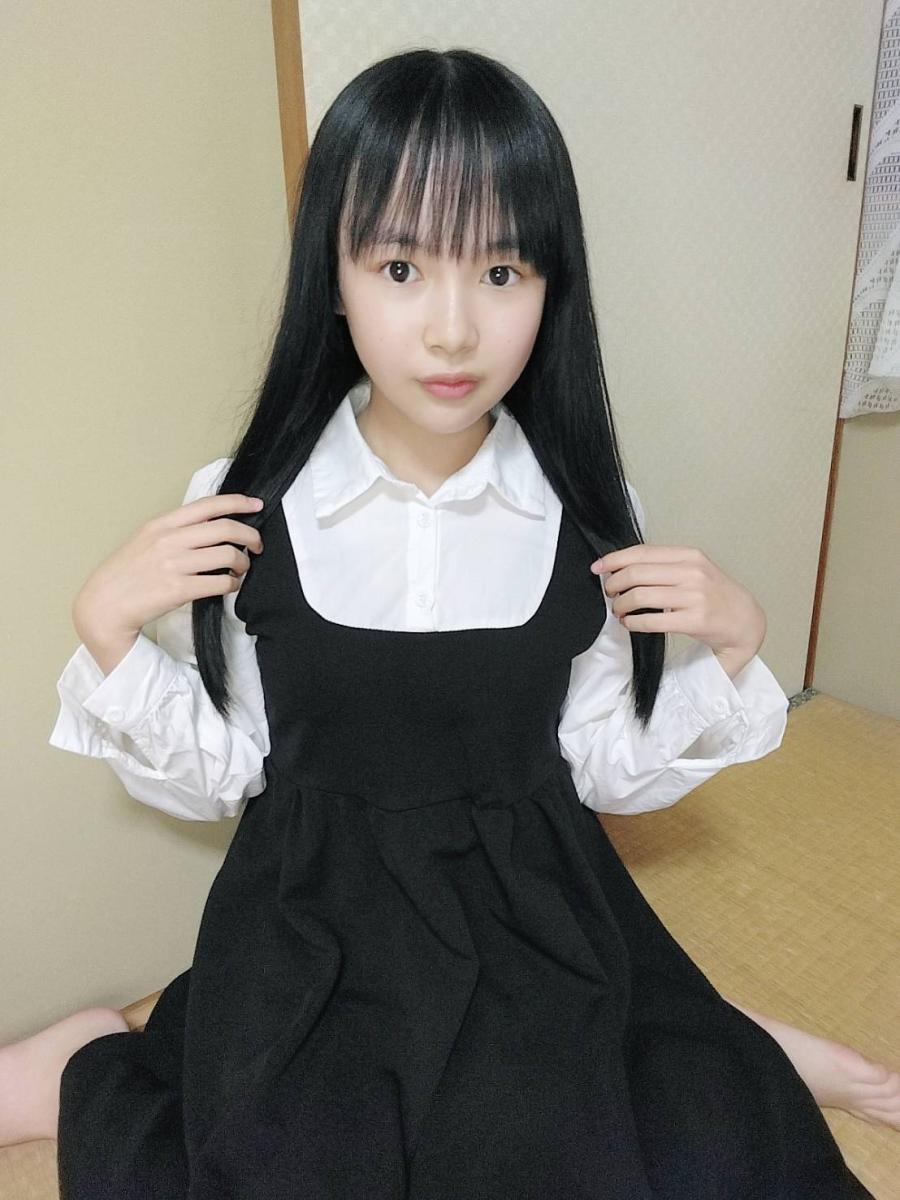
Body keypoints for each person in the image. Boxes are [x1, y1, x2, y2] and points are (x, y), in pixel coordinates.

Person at [3, 45, 896, 1198]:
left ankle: (729, 1042)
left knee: (642, 1152)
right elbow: (226, 770)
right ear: (333, 277)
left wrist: (733, 649)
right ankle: (87, 1056)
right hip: (317, 925)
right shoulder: (250, 500)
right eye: (401, 267)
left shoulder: (586, 511)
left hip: (532, 915)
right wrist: (108, 633)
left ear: (551, 287)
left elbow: (600, 763)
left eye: (503, 270)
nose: (453, 329)